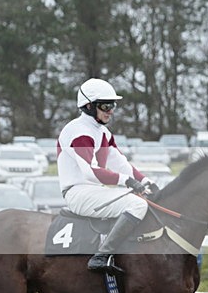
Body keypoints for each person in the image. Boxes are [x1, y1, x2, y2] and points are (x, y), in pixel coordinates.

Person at [57, 78, 159, 274]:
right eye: (105, 105)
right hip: (78, 193)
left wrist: (147, 182)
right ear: (88, 106)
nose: (111, 110)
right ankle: (102, 255)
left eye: (113, 105)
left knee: (143, 199)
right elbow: (90, 171)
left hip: (94, 190)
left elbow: (119, 162)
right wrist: (126, 181)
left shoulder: (103, 132)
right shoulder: (78, 131)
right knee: (137, 205)